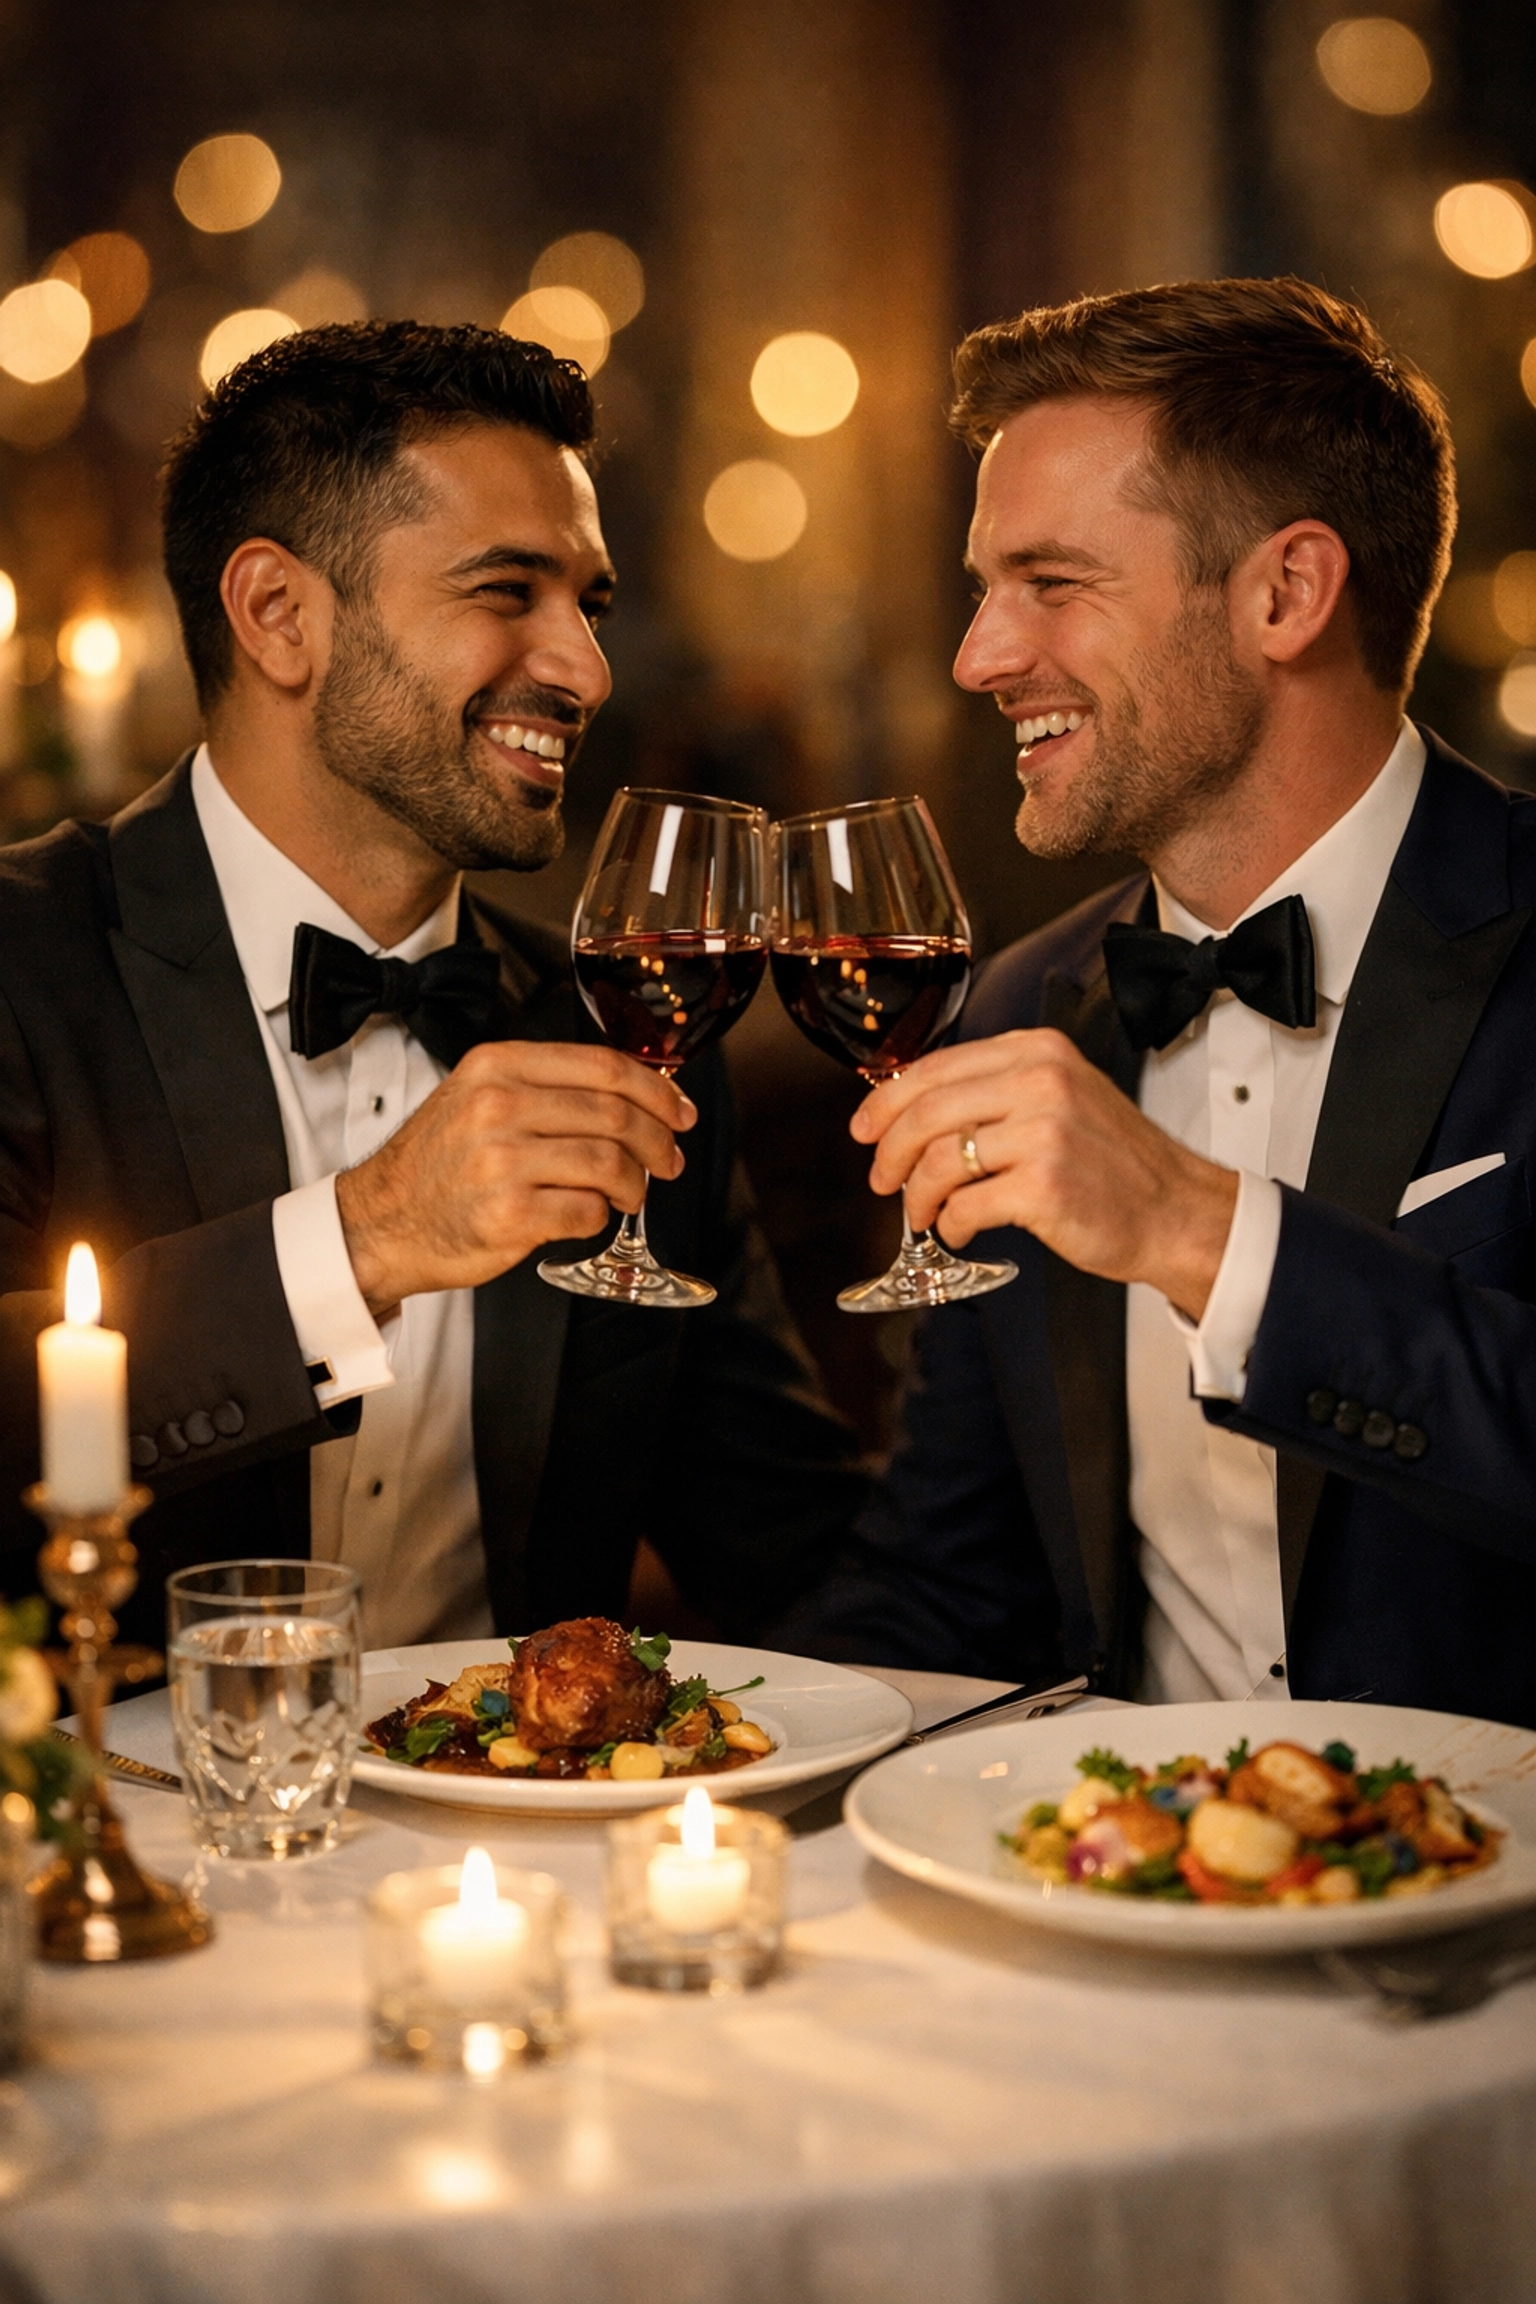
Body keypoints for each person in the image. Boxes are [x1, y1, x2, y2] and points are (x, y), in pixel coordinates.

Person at [0, 321, 865, 1652]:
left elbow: (800, 1557)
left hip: (521, 1852)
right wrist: (366, 1241)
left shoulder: (629, 1036)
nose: (585, 668)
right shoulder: (23, 961)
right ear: (279, 616)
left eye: (591, 605)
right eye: (508, 592)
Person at [780, 276, 1536, 1729]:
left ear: (1286, 593)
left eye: (1052, 585)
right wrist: (693, 1768)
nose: (980, 657)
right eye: (984, 589)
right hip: (1117, 1906)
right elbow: (949, 1589)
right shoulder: (1019, 1009)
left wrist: (1198, 1230)